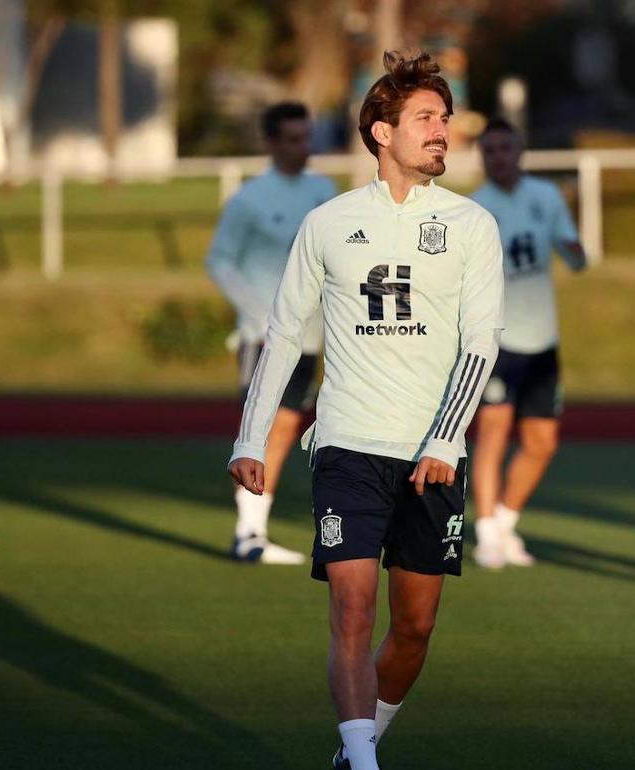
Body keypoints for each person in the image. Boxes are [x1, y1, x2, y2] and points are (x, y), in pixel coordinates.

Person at [228, 51, 503, 770]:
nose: (441, 130)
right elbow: (284, 333)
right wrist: (250, 437)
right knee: (352, 610)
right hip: (347, 443)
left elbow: (480, 344)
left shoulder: (473, 225)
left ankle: (358, 748)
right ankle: (365, 763)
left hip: (433, 457)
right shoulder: (327, 223)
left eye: (444, 118)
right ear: (382, 132)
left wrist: (446, 437)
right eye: (425, 118)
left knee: (414, 629)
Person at [206, 101, 337, 565]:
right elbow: (220, 261)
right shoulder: (249, 199)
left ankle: (253, 529)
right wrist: (261, 316)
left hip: (311, 336)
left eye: (307, 137)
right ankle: (247, 531)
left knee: (285, 427)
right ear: (271, 143)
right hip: (264, 336)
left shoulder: (324, 191)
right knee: (263, 428)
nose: (304, 148)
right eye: (293, 139)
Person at [469, 117, 587, 569]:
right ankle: (486, 534)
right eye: (490, 150)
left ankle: (504, 523)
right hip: (498, 341)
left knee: (541, 442)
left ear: (520, 152)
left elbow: (574, 255)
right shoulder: (474, 210)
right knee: (494, 433)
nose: (498, 157)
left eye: (505, 148)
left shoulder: (546, 197)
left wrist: (574, 250)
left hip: (542, 340)